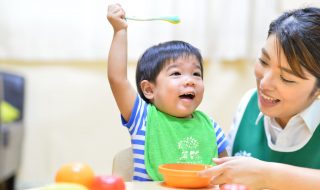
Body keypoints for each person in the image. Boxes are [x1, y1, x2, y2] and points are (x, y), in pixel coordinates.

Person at [199, 7, 320, 190]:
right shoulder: (249, 103)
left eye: (286, 78)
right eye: (263, 61)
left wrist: (265, 175)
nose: (265, 82)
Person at [107, 4, 228, 182]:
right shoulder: (142, 117)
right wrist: (120, 31)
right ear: (149, 89)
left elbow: (226, 173)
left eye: (196, 74)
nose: (190, 80)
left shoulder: (211, 127)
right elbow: (117, 79)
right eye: (176, 74)